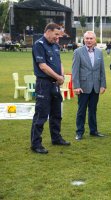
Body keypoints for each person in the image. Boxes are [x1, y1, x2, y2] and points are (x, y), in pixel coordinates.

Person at [30, 23, 70, 154]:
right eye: (56, 34)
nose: (58, 37)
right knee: (41, 114)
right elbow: (42, 66)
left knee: (56, 113)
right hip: (44, 83)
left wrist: (61, 76)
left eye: (59, 35)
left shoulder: (55, 45)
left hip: (55, 83)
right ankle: (36, 144)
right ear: (48, 31)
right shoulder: (39, 45)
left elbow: (60, 62)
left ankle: (56, 138)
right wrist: (58, 77)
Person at [72, 31, 107, 140]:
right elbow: (75, 70)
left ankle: (93, 131)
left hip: (95, 86)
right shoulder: (78, 52)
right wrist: (76, 86)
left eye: (91, 38)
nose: (89, 40)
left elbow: (102, 70)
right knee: (81, 110)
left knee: (93, 110)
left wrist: (103, 85)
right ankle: (79, 132)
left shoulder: (99, 52)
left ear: (95, 40)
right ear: (84, 39)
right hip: (83, 87)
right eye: (87, 38)